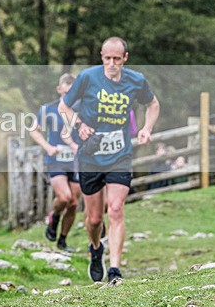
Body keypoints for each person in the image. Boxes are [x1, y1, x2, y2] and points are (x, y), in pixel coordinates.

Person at [59, 37, 160, 284]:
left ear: (125, 58)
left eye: (117, 59)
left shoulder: (136, 81)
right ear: (101, 57)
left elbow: (153, 104)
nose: (112, 64)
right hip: (91, 156)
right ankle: (96, 249)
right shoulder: (87, 77)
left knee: (115, 209)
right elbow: (64, 107)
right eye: (107, 59)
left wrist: (147, 128)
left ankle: (115, 270)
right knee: (94, 220)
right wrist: (79, 126)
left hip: (120, 155)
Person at [29, 73, 81, 252]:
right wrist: (48, 146)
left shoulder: (81, 110)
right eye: (65, 91)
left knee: (74, 203)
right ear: (59, 90)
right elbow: (34, 130)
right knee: (65, 197)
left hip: (76, 161)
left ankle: (62, 240)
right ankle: (55, 216)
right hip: (56, 159)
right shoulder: (48, 109)